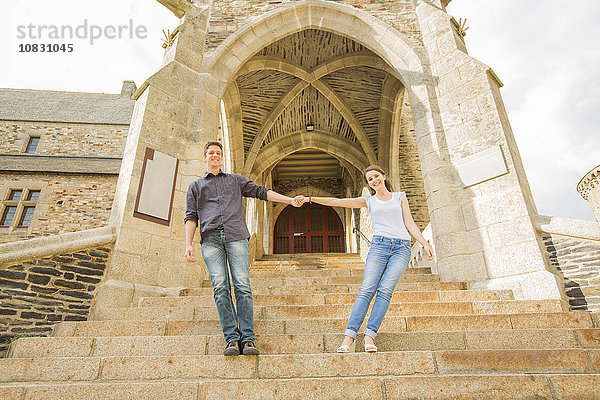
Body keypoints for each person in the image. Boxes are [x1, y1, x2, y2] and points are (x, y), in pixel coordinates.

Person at [297, 165, 434, 353]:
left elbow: (409, 222)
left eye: (376, 176)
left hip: (401, 248)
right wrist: (310, 198)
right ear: (369, 184)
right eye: (370, 179)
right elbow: (337, 202)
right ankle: (349, 338)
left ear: (384, 176)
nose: (374, 180)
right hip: (379, 246)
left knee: (385, 290)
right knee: (367, 290)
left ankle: (370, 336)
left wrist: (424, 243)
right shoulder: (369, 201)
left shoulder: (399, 197)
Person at [185, 141, 302, 356]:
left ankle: (248, 339)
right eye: (210, 153)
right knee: (220, 287)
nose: (214, 156)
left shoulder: (235, 181)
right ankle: (231, 339)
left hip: (236, 236)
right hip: (210, 240)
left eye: (218, 153)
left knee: (242, 286)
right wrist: (188, 244)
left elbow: (261, 192)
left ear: (221, 158)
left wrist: (289, 200)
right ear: (205, 157)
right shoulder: (195, 187)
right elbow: (191, 217)